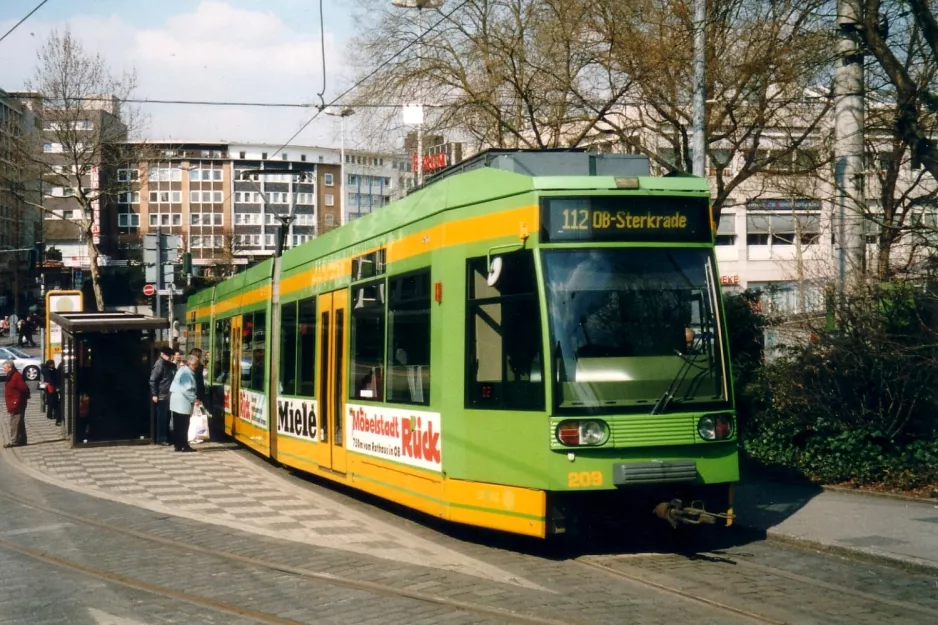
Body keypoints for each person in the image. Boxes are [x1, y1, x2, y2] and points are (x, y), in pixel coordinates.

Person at [169, 354, 200, 452]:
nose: (197, 367)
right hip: (182, 403)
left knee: (177, 425)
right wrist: (194, 399)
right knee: (183, 425)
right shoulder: (187, 373)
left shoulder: (182, 370)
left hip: (176, 401)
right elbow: (187, 389)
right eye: (196, 365)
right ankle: (183, 445)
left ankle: (177, 445)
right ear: (192, 364)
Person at [149, 346, 176, 446]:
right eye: (168, 355)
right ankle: (161, 438)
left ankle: (165, 437)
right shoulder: (159, 364)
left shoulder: (167, 364)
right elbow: (153, 380)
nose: (169, 357)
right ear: (162, 354)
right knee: (162, 418)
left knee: (166, 417)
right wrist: (154, 394)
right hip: (162, 394)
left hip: (167, 394)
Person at [3, 360, 30, 447]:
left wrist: (22, 398)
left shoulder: (16, 376)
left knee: (14, 423)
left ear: (10, 368)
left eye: (5, 368)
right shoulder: (11, 375)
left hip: (17, 403)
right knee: (19, 422)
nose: (4, 369)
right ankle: (22, 440)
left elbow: (24, 388)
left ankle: (14, 441)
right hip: (14, 402)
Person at [41, 359, 62, 426]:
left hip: (50, 388)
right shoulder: (48, 371)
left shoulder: (48, 370)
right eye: (52, 364)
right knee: (52, 402)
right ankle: (51, 415)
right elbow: (50, 379)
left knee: (51, 401)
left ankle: (50, 415)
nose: (53, 365)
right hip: (51, 388)